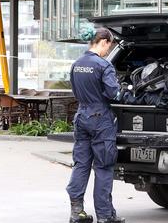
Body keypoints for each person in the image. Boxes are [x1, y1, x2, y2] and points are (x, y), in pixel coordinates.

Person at [66, 27, 125, 223]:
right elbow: (113, 93)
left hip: (82, 115)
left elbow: (75, 90)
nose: (109, 50)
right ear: (104, 42)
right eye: (109, 46)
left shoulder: (77, 64)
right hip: (100, 119)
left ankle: (77, 212)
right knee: (104, 166)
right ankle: (105, 215)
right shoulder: (103, 66)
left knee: (81, 164)